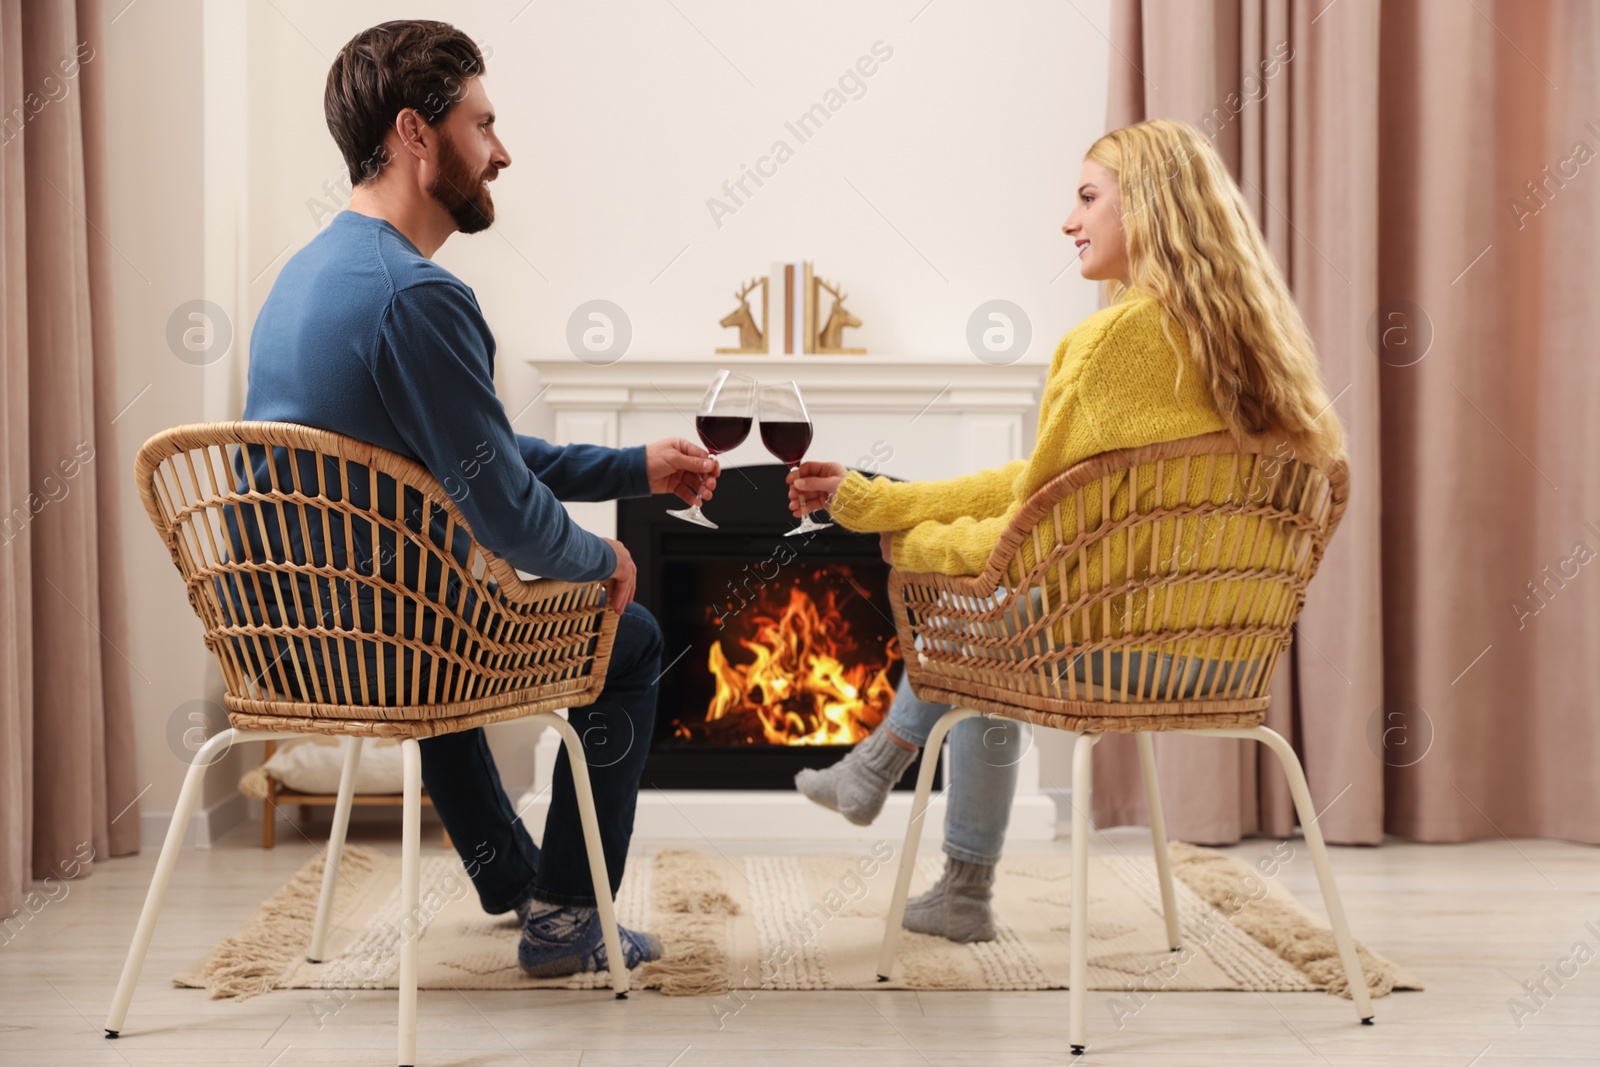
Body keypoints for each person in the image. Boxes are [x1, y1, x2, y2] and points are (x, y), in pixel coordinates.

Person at [238, 20, 722, 978]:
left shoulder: (312, 275)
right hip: (387, 645)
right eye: (484, 125)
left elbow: (477, 458)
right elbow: (499, 508)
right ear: (418, 135)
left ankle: (515, 879)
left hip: (292, 637)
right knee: (629, 639)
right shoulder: (415, 295)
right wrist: (604, 558)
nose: (502, 153)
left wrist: (630, 467)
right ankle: (570, 916)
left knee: (444, 602)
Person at [788, 117, 1346, 943]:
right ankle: (900, 804)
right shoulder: (1260, 339)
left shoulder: (1114, 337)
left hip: (1119, 651)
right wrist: (881, 497)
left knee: (969, 630)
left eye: (1088, 198)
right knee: (987, 634)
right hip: (1228, 656)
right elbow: (1047, 490)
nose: (1068, 221)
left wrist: (907, 545)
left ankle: (932, 842)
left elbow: (1031, 532)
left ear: (1149, 209)